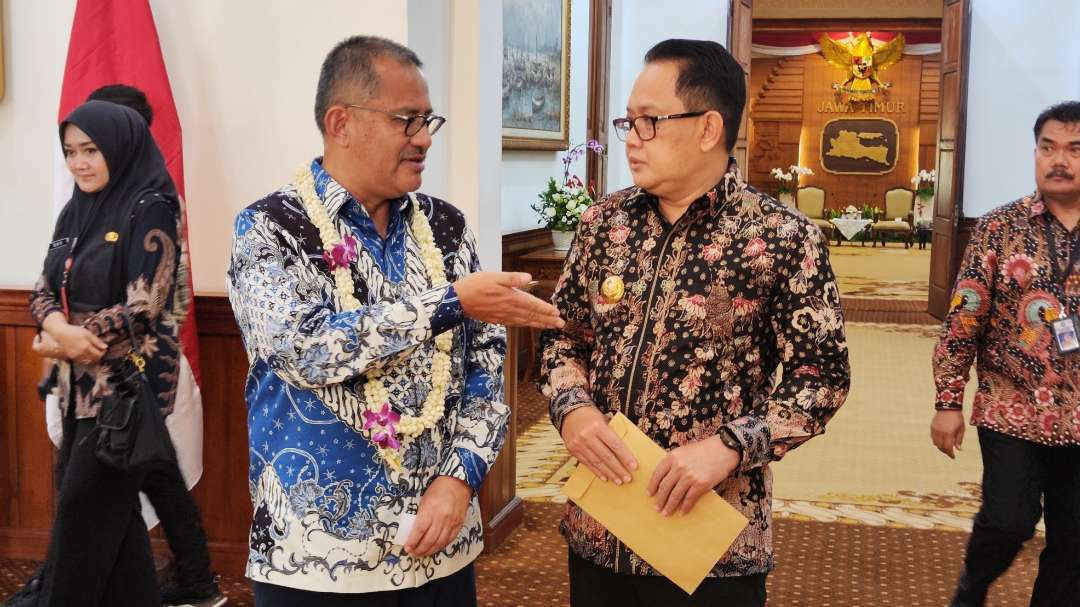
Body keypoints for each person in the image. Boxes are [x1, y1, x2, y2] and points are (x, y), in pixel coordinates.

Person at [226, 36, 563, 606]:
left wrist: (460, 478)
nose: (425, 138)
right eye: (408, 120)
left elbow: (487, 372)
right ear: (341, 123)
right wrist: (449, 302)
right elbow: (303, 352)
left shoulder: (447, 228)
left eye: (428, 120)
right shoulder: (270, 229)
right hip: (317, 558)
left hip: (441, 549)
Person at [539, 39, 850, 606]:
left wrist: (729, 448)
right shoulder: (603, 224)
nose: (631, 138)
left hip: (711, 542)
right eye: (627, 121)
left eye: (649, 121)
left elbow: (821, 380)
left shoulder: (783, 238)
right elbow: (563, 337)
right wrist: (572, 409)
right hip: (600, 525)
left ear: (709, 128)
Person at [3, 85, 225, 607]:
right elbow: (42, 287)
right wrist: (61, 334)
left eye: (91, 150)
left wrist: (72, 338)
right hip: (74, 389)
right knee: (119, 537)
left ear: (121, 145)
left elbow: (145, 304)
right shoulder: (76, 211)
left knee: (81, 526)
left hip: (123, 394)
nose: (79, 163)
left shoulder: (152, 206)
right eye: (71, 151)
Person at [932, 100, 1080, 607]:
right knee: (1009, 519)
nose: (1058, 160)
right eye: (1048, 147)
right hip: (1010, 404)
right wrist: (948, 402)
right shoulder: (1000, 227)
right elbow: (963, 319)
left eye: (1075, 149)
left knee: (1074, 543)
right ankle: (971, 590)